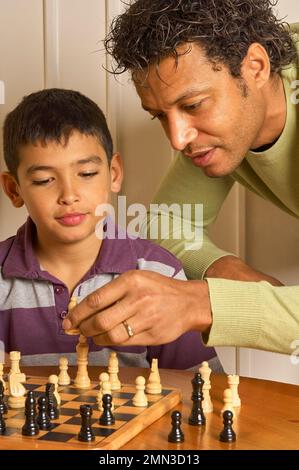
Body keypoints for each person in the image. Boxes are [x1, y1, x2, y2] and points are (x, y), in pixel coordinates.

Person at [63, 0, 299, 356]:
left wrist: (201, 303)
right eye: (160, 115)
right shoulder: (214, 136)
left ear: (256, 67)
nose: (177, 139)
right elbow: (165, 220)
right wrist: (222, 269)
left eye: (193, 105)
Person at [0, 87, 220, 370]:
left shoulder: (159, 273)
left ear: (113, 174)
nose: (69, 195)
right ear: (13, 190)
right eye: (44, 180)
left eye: (87, 174)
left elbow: (200, 389)